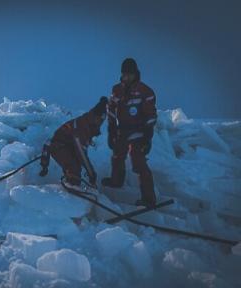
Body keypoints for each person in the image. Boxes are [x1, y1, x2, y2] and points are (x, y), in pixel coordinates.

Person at [101, 58, 158, 207]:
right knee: (117, 155)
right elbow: (111, 109)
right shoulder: (116, 90)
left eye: (129, 74)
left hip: (140, 131)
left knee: (138, 161)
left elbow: (151, 115)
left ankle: (149, 199)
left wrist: (147, 136)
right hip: (123, 130)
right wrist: (111, 130)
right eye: (124, 74)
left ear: (135, 74)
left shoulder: (146, 91)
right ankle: (116, 181)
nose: (126, 77)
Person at [39, 97, 108, 190]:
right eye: (100, 119)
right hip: (58, 146)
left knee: (75, 165)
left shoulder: (87, 125)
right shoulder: (82, 126)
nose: (101, 122)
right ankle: (71, 188)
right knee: (73, 166)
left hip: (66, 147)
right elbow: (81, 153)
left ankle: (72, 184)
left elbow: (80, 152)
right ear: (95, 116)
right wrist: (91, 173)